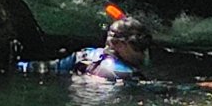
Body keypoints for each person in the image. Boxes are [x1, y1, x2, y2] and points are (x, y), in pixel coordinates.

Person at [16, 16, 153, 83]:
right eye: (139, 47)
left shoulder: (85, 56)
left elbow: (43, 68)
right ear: (119, 44)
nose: (144, 53)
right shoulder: (130, 77)